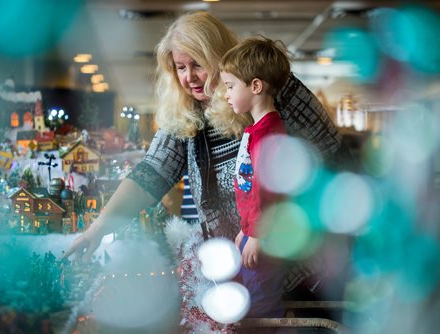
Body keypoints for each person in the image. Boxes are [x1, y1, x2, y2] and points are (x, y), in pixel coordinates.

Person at [63, 10, 348, 323]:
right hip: (236, 270)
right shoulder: (186, 114)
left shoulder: (269, 88)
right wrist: (97, 230)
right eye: (180, 68)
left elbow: (336, 159)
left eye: (197, 64)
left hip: (297, 268)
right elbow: (150, 174)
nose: (189, 77)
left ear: (217, 56)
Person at [218, 36, 290, 317]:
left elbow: (268, 189)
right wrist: (245, 229)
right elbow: (249, 189)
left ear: (256, 86)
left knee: (261, 305)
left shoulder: (268, 133)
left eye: (230, 86)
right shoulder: (256, 130)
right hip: (256, 231)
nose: (226, 94)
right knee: (253, 297)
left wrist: (257, 234)